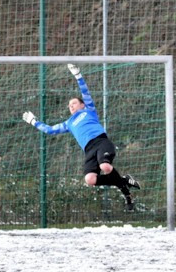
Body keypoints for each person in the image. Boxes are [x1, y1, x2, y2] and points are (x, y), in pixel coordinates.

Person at [22, 64, 141, 210]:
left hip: (101, 142)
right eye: (69, 105)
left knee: (105, 166)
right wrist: (34, 122)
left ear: (82, 105)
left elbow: (85, 92)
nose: (71, 106)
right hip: (89, 150)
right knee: (90, 179)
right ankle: (124, 181)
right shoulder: (68, 123)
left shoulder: (89, 111)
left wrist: (78, 76)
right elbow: (50, 130)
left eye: (74, 103)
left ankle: (125, 191)